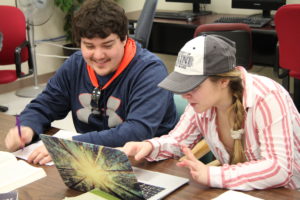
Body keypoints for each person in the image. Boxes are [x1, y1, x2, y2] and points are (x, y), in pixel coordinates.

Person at [5, 0, 178, 165]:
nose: (98, 55)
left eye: (107, 45)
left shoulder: (150, 71)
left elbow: (136, 131)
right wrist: (27, 127)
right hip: (90, 161)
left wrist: (70, 145)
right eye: (89, 46)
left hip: (150, 163)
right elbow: (44, 105)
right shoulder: (75, 64)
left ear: (124, 39)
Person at [122, 34, 300, 191]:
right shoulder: (201, 101)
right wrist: (149, 147)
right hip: (242, 191)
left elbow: (279, 168)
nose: (185, 95)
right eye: (182, 85)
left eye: (193, 86)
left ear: (223, 81)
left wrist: (212, 175)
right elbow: (178, 141)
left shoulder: (267, 97)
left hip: (289, 192)